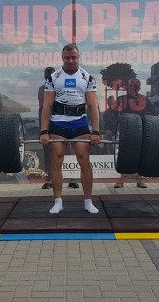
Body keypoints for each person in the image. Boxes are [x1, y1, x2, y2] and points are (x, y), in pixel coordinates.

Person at [40, 43, 101, 214]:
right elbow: (47, 106)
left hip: (79, 122)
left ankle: (88, 201)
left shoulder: (87, 77)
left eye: (74, 57)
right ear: (62, 58)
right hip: (58, 122)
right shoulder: (53, 77)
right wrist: (44, 131)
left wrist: (95, 131)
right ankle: (58, 201)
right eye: (67, 58)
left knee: (84, 160)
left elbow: (93, 106)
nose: (71, 60)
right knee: (56, 160)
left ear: (78, 57)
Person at [110, 78, 157, 188]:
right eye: (131, 85)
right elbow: (111, 112)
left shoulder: (144, 99)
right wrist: (115, 125)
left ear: (139, 87)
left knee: (141, 154)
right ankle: (121, 179)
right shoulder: (121, 99)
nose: (133, 88)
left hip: (141, 130)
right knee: (123, 155)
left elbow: (154, 113)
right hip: (125, 131)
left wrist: (147, 125)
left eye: (135, 86)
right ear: (127, 86)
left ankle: (140, 179)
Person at [38, 66, 55, 190]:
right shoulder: (42, 89)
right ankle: (49, 179)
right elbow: (42, 108)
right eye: (47, 73)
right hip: (46, 125)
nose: (49, 75)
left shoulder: (60, 88)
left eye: (51, 73)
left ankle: (70, 179)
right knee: (47, 152)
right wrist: (42, 128)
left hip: (59, 123)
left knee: (64, 150)